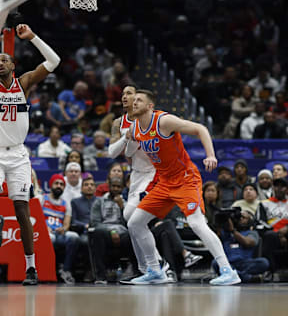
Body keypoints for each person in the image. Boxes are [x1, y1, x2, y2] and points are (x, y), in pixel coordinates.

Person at [0, 0, 60, 285]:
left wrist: (32, 37)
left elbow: (54, 61)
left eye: (6, 59)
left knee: (22, 211)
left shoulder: (24, 83)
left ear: (14, 65)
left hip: (18, 155)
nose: (1, 62)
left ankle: (30, 268)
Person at [125, 89, 240, 285]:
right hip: (164, 182)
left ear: (150, 106)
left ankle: (228, 271)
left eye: (138, 100)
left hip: (185, 179)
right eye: (132, 100)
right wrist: (127, 139)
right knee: (134, 223)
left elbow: (200, 129)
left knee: (196, 223)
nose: (133, 102)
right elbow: (129, 152)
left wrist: (211, 155)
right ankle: (156, 271)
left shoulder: (164, 121)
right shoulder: (135, 128)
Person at [90, 177, 137, 284]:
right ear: (109, 187)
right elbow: (95, 222)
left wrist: (122, 208)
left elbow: (129, 224)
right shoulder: (99, 201)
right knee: (97, 232)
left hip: (123, 233)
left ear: (122, 188)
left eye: (118, 187)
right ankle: (101, 276)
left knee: (133, 234)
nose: (115, 189)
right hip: (104, 231)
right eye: (113, 186)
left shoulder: (127, 203)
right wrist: (112, 231)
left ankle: (134, 272)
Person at [41, 174, 79, 284]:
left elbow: (67, 223)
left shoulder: (65, 203)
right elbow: (36, 217)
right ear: (51, 185)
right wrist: (44, 228)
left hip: (59, 234)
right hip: (45, 232)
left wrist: (63, 229)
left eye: (62, 184)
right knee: (50, 238)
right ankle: (48, 270)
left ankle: (66, 270)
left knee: (74, 237)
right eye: (56, 183)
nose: (59, 186)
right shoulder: (42, 199)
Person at [213, 211, 269, 283]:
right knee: (215, 262)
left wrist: (233, 231)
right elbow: (215, 241)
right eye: (239, 217)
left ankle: (234, 276)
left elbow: (248, 243)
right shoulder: (225, 232)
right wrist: (220, 225)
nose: (240, 219)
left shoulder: (252, 233)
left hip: (245, 263)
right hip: (228, 263)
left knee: (264, 262)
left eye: (244, 218)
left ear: (250, 220)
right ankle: (247, 278)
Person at [261, 177, 288, 272]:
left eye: (282, 186)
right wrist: (278, 233)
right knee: (269, 236)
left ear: (287, 189)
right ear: (273, 188)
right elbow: (261, 222)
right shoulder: (264, 204)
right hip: (272, 233)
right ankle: (270, 270)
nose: (279, 188)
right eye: (276, 186)